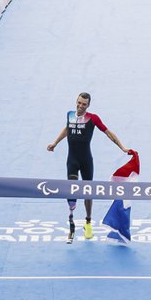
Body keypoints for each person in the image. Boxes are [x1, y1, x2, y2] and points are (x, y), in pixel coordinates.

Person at [47, 91, 133, 242]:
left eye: (84, 104)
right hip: (72, 160)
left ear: (88, 105)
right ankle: (72, 223)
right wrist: (55, 142)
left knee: (88, 192)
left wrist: (123, 148)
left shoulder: (93, 118)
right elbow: (67, 129)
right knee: (72, 190)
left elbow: (108, 133)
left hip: (86, 160)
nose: (80, 106)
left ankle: (88, 223)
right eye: (78, 103)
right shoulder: (70, 115)